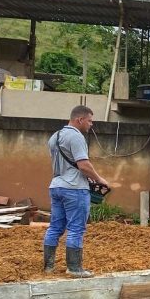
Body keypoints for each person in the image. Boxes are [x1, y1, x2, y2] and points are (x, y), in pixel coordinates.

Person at [43, 105, 109, 278]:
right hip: (74, 188)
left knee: (55, 227)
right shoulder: (76, 137)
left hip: (56, 185)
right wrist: (99, 179)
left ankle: (48, 266)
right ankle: (74, 268)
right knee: (76, 229)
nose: (91, 124)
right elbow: (83, 165)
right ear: (80, 120)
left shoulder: (54, 137)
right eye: (89, 121)